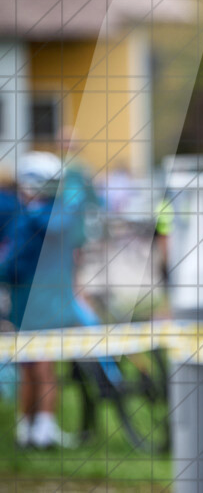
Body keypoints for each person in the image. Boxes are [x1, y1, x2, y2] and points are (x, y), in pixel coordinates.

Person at [0, 152, 97, 448]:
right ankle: (42, 428)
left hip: (26, 299)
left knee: (30, 366)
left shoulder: (25, 219)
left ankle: (30, 429)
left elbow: (11, 263)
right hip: (55, 298)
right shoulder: (64, 216)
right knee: (45, 365)